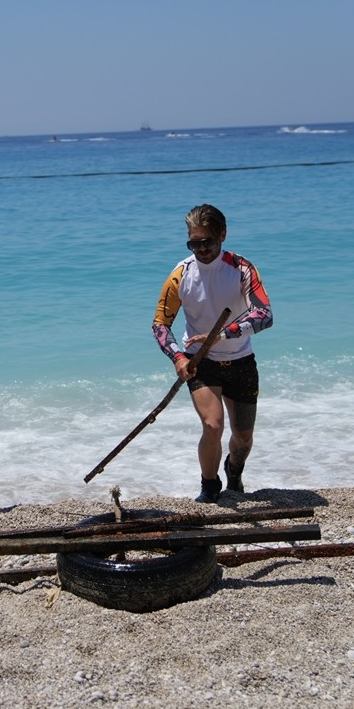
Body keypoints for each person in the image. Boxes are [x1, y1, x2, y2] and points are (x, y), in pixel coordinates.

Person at [152, 204, 273, 503]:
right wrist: (178, 357)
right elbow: (160, 324)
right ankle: (209, 486)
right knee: (212, 424)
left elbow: (264, 314)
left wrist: (223, 334)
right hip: (200, 362)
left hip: (241, 360)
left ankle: (234, 470)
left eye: (208, 242)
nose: (202, 249)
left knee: (243, 438)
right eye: (195, 243)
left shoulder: (242, 269)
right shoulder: (181, 275)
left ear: (223, 235)